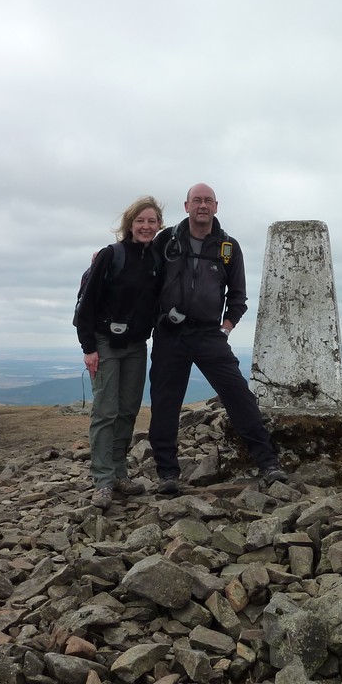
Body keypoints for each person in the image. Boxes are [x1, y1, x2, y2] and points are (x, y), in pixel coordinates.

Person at [148, 182, 286, 495]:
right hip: (170, 335)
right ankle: (167, 474)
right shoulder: (166, 241)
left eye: (208, 200)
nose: (202, 205)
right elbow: (146, 278)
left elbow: (238, 295)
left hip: (209, 334)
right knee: (165, 403)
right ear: (186, 206)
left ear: (216, 206)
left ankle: (268, 463)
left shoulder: (228, 247)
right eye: (196, 200)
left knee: (238, 395)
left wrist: (226, 327)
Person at [76, 196, 164, 509]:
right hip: (104, 343)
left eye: (152, 221)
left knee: (127, 411)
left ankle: (118, 473)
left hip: (136, 345)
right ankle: (102, 481)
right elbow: (87, 303)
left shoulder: (157, 259)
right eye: (140, 221)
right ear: (130, 224)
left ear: (159, 225)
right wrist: (89, 348)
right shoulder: (111, 255)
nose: (146, 226)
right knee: (105, 412)